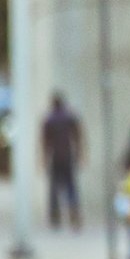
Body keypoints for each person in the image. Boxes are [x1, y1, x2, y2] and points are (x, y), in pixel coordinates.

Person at [41, 92, 83, 232]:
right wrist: (80, 153)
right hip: (67, 155)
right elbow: (77, 137)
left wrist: (44, 159)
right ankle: (73, 212)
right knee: (70, 186)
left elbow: (45, 142)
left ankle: (56, 216)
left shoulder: (50, 120)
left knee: (55, 189)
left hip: (55, 157)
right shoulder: (69, 117)